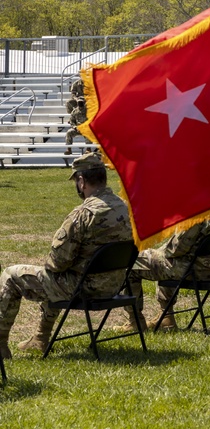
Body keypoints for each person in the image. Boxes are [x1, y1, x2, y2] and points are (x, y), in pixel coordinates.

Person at [0, 153, 131, 358]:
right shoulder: (125, 206)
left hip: (83, 288)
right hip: (115, 285)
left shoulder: (83, 214)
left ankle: (0, 344)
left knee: (11, 275)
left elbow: (57, 263)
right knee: (51, 277)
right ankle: (40, 337)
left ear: (81, 181)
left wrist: (53, 265)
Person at [119, 208, 210, 331]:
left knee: (133, 261)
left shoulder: (199, 212)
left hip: (192, 270)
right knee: (163, 260)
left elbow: (176, 250)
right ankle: (166, 317)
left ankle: (135, 321)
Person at [64, 79, 88, 155]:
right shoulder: (76, 83)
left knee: (89, 132)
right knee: (68, 102)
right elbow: (73, 93)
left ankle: (89, 149)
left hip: (88, 100)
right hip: (77, 127)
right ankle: (69, 149)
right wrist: (74, 127)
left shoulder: (88, 111)